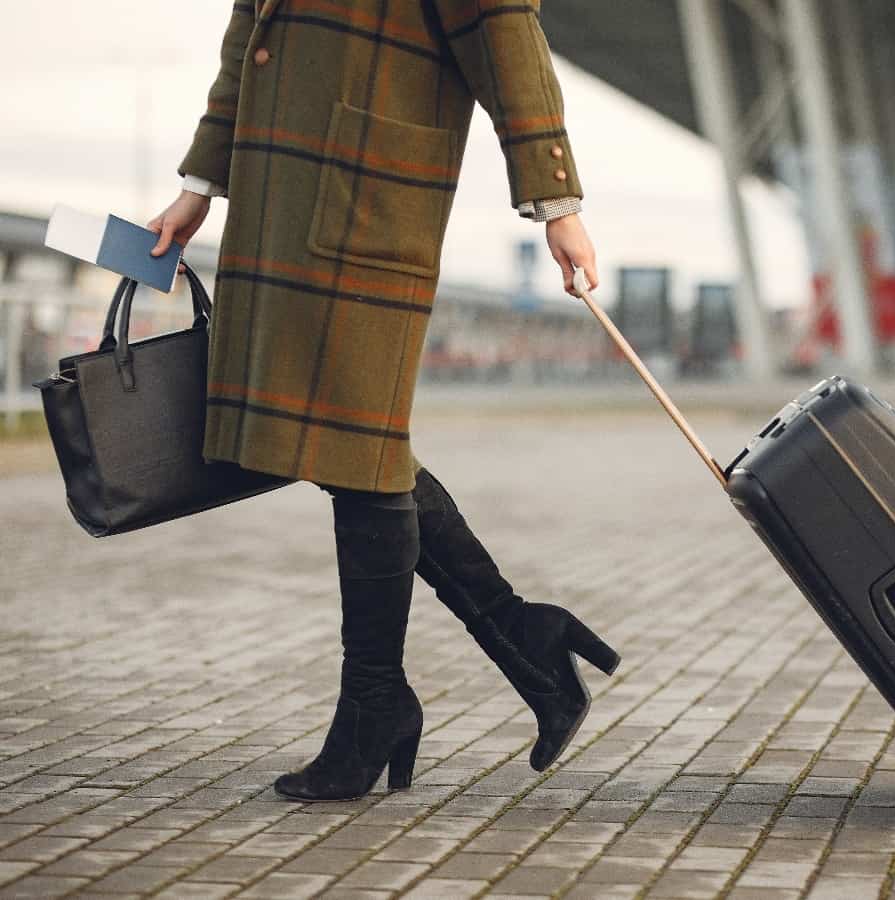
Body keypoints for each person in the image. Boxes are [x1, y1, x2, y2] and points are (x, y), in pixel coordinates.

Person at [148, 0, 620, 802]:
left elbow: (504, 25)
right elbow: (248, 38)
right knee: (354, 445)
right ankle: (519, 642)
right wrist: (199, 185)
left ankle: (381, 703)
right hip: (278, 200)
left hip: (369, 191)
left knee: (357, 448)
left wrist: (558, 202)